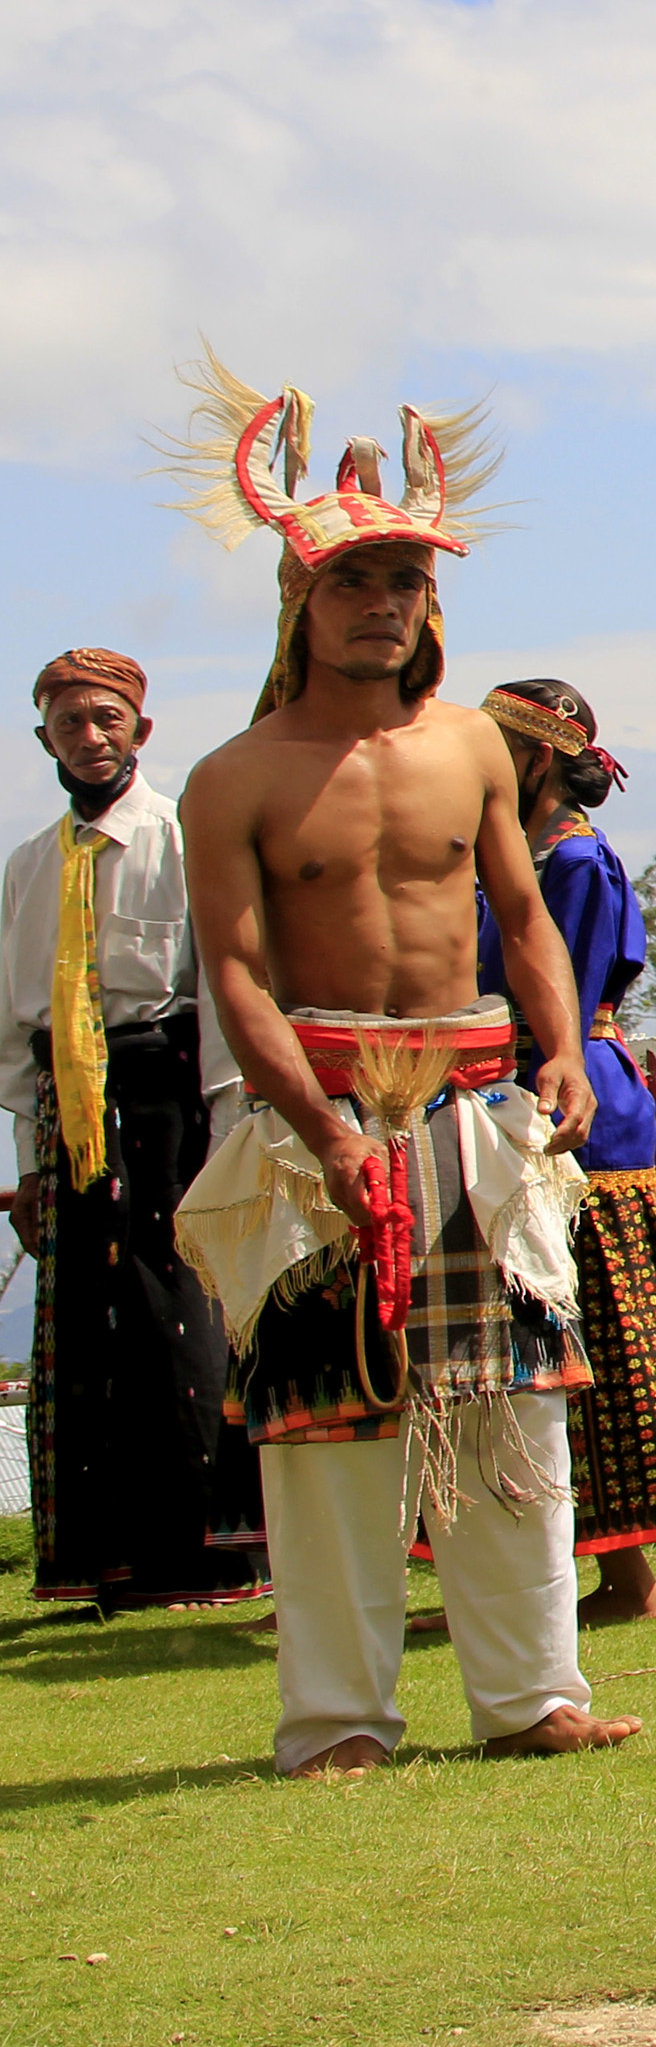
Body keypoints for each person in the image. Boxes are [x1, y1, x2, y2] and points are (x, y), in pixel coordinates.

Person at [162, 364, 639, 1775]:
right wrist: (320, 1128)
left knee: (510, 1407)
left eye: (407, 578)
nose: (385, 600)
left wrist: (559, 1047)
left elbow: (528, 915)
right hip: (315, 1118)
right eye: (357, 577)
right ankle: (339, 1719)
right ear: (299, 599)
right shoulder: (233, 774)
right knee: (323, 1432)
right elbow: (239, 975)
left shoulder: (475, 747)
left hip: (474, 1109)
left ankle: (531, 1696)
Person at [477, 677, 656, 1624]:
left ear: (536, 758)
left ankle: (626, 1577)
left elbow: (560, 991)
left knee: (596, 1341)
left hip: (570, 1106)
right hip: (512, 1093)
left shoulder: (575, 863)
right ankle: (563, 1571)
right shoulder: (515, 857)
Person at [5, 648, 266, 1613]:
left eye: (107, 718)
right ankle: (96, 1557)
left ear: (141, 731)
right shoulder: (31, 864)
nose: (90, 736)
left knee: (181, 1308)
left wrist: (228, 1122)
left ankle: (203, 1553)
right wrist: (35, 1159)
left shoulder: (183, 837)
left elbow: (220, 984)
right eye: (69, 721)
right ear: (45, 740)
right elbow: (11, 1030)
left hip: (169, 1091)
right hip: (65, 1103)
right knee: (81, 1322)